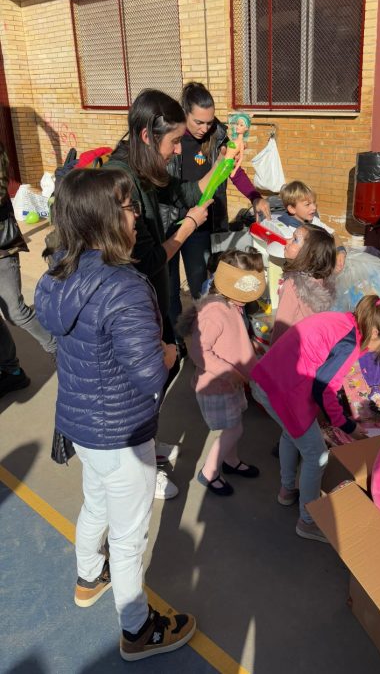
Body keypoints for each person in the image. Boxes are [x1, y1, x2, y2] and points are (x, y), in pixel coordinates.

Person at [34, 168, 196, 661]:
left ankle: (88, 577)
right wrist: (170, 354)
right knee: (129, 537)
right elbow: (150, 375)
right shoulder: (123, 287)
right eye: (128, 208)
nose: (136, 215)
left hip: (80, 424)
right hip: (122, 433)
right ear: (105, 218)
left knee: (96, 503)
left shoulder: (59, 270)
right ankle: (137, 629)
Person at [106, 89, 213, 496]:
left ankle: (147, 444)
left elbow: (184, 192)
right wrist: (187, 227)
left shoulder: (147, 168)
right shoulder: (120, 184)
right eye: (173, 143)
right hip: (134, 305)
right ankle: (140, 466)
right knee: (142, 384)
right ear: (149, 136)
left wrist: (218, 168)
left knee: (161, 373)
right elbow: (147, 260)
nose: (176, 152)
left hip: (154, 298)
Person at [251, 295, 380, 542]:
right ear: (376, 331)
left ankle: (287, 489)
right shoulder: (350, 343)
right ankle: (308, 520)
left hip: (270, 379)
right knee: (317, 456)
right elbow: (324, 389)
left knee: (290, 435)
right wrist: (347, 425)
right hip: (284, 390)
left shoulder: (343, 321)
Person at [166, 81, 271, 312]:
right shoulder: (170, 137)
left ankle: (202, 335)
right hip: (172, 223)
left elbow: (234, 169)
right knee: (169, 291)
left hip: (201, 228)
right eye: (198, 122)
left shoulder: (219, 134)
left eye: (209, 121)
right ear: (185, 113)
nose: (205, 128)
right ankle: (175, 342)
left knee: (201, 287)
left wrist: (254, 196)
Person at [176, 248, 265, 497]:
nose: (245, 299)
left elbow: (232, 336)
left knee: (234, 424)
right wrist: (228, 372)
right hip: (217, 384)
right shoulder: (214, 312)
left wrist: (249, 346)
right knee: (233, 429)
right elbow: (199, 351)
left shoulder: (230, 302)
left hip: (231, 382)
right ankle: (209, 472)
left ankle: (231, 460)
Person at [0, 143, 56, 397]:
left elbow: (1, 188)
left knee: (15, 311)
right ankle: (11, 372)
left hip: (2, 247)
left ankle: (58, 349)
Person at [270, 223, 337, 345]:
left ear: (309, 254)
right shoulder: (322, 281)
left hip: (291, 350)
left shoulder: (292, 284)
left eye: (295, 239)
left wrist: (270, 358)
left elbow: (282, 325)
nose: (287, 240)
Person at [277, 180, 347, 271]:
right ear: (292, 209)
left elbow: (333, 234)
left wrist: (340, 251)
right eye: (307, 204)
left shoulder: (313, 221)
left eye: (314, 203)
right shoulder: (288, 231)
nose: (314, 207)